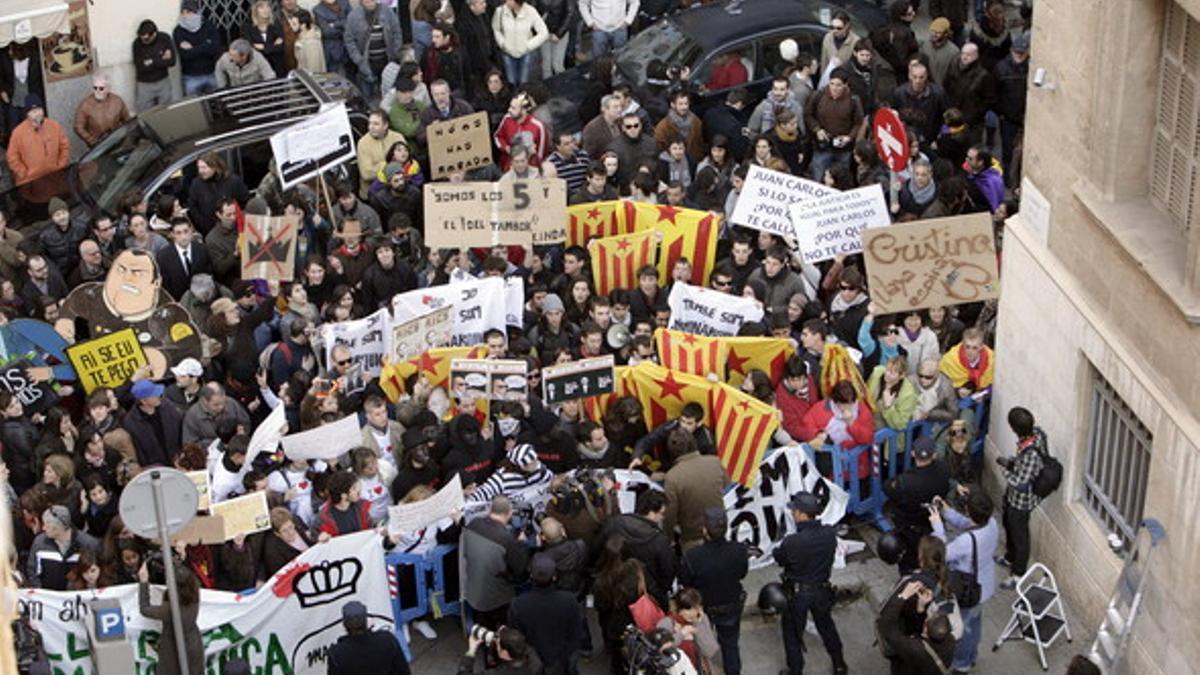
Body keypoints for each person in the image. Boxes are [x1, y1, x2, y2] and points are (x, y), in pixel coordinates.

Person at [774, 492, 847, 675]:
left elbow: (780, 558)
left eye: (794, 511)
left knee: (792, 633)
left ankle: (796, 670)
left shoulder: (792, 542)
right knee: (827, 626)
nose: (792, 514)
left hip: (798, 594)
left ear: (801, 514)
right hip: (822, 589)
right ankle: (839, 663)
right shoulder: (829, 534)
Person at [930, 487, 999, 673]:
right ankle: (972, 656)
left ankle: (961, 664)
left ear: (969, 511)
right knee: (975, 624)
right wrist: (946, 510)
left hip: (970, 590)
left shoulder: (966, 542)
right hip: (984, 585)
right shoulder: (992, 524)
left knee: (965, 628)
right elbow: (967, 523)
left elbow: (943, 552)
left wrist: (938, 526)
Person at [679, 507, 749, 675]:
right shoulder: (739, 550)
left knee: (700, 646)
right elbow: (742, 573)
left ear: (704, 529)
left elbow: (685, 582)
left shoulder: (693, 556)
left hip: (703, 610)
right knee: (730, 644)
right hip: (730, 605)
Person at [506, 553, 585, 675]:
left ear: (531, 575)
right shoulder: (569, 600)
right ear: (554, 577)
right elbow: (575, 635)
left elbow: (517, 639)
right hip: (562, 662)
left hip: (533, 663)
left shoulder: (518, 604)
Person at [883, 436, 951, 573]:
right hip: (934, 523)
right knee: (931, 556)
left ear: (913, 453)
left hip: (910, 529)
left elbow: (888, 489)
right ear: (935, 454)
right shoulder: (944, 469)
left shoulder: (906, 481)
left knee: (909, 560)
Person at [461, 495, 530, 629]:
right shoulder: (508, 541)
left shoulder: (473, 524)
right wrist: (522, 545)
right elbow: (520, 571)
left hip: (472, 590)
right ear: (509, 513)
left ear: (490, 509)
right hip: (496, 599)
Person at [997, 406, 1046, 589]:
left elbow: (1020, 483)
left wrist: (1005, 469)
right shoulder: (1035, 434)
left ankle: (1018, 574)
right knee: (1008, 523)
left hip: (1022, 502)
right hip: (1012, 499)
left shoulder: (1031, 454)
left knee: (1020, 536)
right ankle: (1010, 557)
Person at [661, 428, 726, 551]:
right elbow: (726, 488)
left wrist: (668, 538)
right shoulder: (715, 462)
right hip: (719, 529)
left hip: (691, 537)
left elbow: (670, 514)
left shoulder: (672, 477)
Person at [876, 576, 956, 674]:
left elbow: (886, 626)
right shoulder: (950, 640)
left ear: (925, 631)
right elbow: (919, 630)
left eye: (927, 618)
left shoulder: (915, 649)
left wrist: (903, 596)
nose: (928, 616)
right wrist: (921, 607)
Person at [138, 557, 204, 675]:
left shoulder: (170, 609)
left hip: (173, 647)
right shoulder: (194, 593)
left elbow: (145, 609)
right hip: (193, 642)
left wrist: (144, 583)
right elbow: (185, 575)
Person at [328, 600, 411, 674]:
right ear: (366, 621)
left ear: (345, 624)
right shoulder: (388, 639)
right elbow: (404, 671)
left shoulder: (336, 654)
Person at [344, 0, 403, 100]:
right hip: (366, 64)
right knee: (367, 99)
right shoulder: (353, 16)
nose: (369, 1)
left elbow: (397, 32)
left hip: (387, 62)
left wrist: (395, 52)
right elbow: (349, 40)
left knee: (388, 96)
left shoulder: (387, 11)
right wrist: (358, 60)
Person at [6, 96, 69, 186]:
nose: (37, 114)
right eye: (33, 111)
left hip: (54, 177)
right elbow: (12, 157)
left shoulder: (54, 126)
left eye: (39, 109)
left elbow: (64, 146)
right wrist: (24, 173)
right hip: (31, 182)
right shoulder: (18, 133)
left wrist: (61, 165)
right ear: (27, 114)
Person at [122, 379, 185, 467]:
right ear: (144, 401)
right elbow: (140, 454)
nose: (159, 395)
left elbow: (181, 429)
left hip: (178, 462)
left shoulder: (167, 406)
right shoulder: (131, 423)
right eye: (154, 394)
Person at [491, 0, 548, 87]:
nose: (506, 1)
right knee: (511, 81)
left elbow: (544, 33)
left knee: (523, 82)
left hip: (525, 53)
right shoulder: (500, 11)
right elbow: (496, 29)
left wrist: (528, 45)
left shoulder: (531, 11)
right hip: (507, 52)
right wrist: (502, 43)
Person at [175, 1, 223, 96]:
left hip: (211, 73)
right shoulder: (179, 31)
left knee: (215, 104)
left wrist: (193, 48)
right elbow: (185, 55)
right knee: (193, 107)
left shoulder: (208, 26)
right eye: (183, 12)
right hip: (191, 77)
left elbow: (215, 48)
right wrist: (205, 44)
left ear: (197, 12)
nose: (186, 15)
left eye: (189, 12)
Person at [458, 625, 542, 674]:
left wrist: (471, 650)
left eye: (497, 644)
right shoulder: (535, 661)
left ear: (505, 653)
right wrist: (506, 635)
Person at [73, 75, 130, 147]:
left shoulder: (117, 100)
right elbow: (78, 127)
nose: (97, 91)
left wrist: (124, 135)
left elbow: (127, 120)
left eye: (101, 88)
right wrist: (92, 141)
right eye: (95, 88)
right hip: (98, 146)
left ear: (108, 88)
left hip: (117, 140)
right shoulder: (85, 105)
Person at [132, 20, 176, 111]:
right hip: (144, 84)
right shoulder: (137, 44)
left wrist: (151, 61)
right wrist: (160, 58)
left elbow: (172, 62)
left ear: (154, 34)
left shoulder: (164, 38)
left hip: (163, 81)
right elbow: (140, 67)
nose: (144, 41)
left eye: (147, 39)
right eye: (142, 38)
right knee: (145, 113)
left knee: (166, 112)